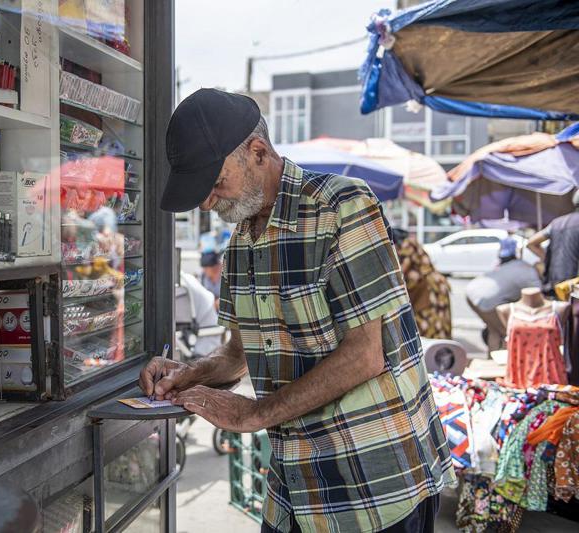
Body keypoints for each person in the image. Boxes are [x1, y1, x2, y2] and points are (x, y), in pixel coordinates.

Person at [142, 89, 454, 533]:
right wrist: (190, 373)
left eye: (214, 184)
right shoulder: (240, 245)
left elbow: (365, 355)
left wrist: (252, 415)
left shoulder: (343, 207)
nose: (207, 203)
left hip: (373, 483)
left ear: (257, 152)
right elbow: (239, 354)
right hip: (294, 489)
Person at [466, 237, 542, 352]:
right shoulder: (529, 271)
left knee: (494, 330)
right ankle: (504, 363)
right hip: (486, 300)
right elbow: (539, 295)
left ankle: (491, 361)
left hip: (471, 293)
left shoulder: (504, 265)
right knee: (508, 333)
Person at [391, 228, 452, 339]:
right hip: (432, 287)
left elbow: (401, 271)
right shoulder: (408, 243)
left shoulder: (408, 244)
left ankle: (437, 352)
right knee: (437, 322)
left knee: (432, 324)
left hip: (431, 289)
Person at [527, 190, 579, 292]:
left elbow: (531, 243)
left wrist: (546, 259)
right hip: (573, 288)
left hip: (554, 285)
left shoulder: (557, 223)